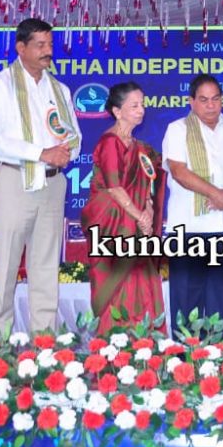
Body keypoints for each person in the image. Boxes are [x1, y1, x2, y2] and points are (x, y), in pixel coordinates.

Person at [0, 18, 82, 334]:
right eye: (40, 45)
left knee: (46, 266)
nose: (47, 51)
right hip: (14, 180)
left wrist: (65, 152)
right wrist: (40, 153)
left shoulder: (59, 89)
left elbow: (75, 137)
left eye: (50, 44)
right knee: (6, 266)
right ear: (20, 48)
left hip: (53, 183)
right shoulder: (0, 84)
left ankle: (45, 343)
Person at [162, 75, 223, 338]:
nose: (211, 105)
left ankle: (220, 359)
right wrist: (216, 194)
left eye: (216, 99)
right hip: (189, 228)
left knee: (222, 302)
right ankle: (186, 360)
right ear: (191, 102)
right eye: (204, 100)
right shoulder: (178, 129)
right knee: (187, 303)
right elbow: (178, 171)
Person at [81, 82, 164, 334]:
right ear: (117, 111)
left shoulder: (141, 148)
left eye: (143, 105)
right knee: (117, 289)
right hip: (114, 224)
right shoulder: (110, 142)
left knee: (141, 284)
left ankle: (145, 344)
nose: (141, 110)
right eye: (134, 105)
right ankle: (115, 345)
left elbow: (149, 183)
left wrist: (149, 211)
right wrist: (140, 216)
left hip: (136, 225)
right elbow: (114, 187)